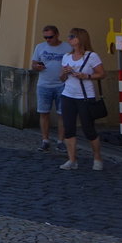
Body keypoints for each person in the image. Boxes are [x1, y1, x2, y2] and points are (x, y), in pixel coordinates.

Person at [58, 27, 106, 170]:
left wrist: (87, 76)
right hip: (68, 95)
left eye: (72, 36)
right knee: (69, 128)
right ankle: (72, 159)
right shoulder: (66, 56)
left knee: (88, 129)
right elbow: (61, 78)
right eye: (69, 36)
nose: (69, 39)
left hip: (85, 97)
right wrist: (65, 73)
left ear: (80, 38)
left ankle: (97, 158)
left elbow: (102, 74)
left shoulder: (91, 56)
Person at [30, 24, 71, 152]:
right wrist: (37, 67)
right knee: (44, 113)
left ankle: (61, 141)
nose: (48, 40)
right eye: (45, 37)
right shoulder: (40, 47)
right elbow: (33, 64)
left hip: (62, 85)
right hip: (44, 85)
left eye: (50, 37)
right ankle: (45, 140)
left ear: (57, 35)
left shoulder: (67, 47)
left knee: (62, 114)